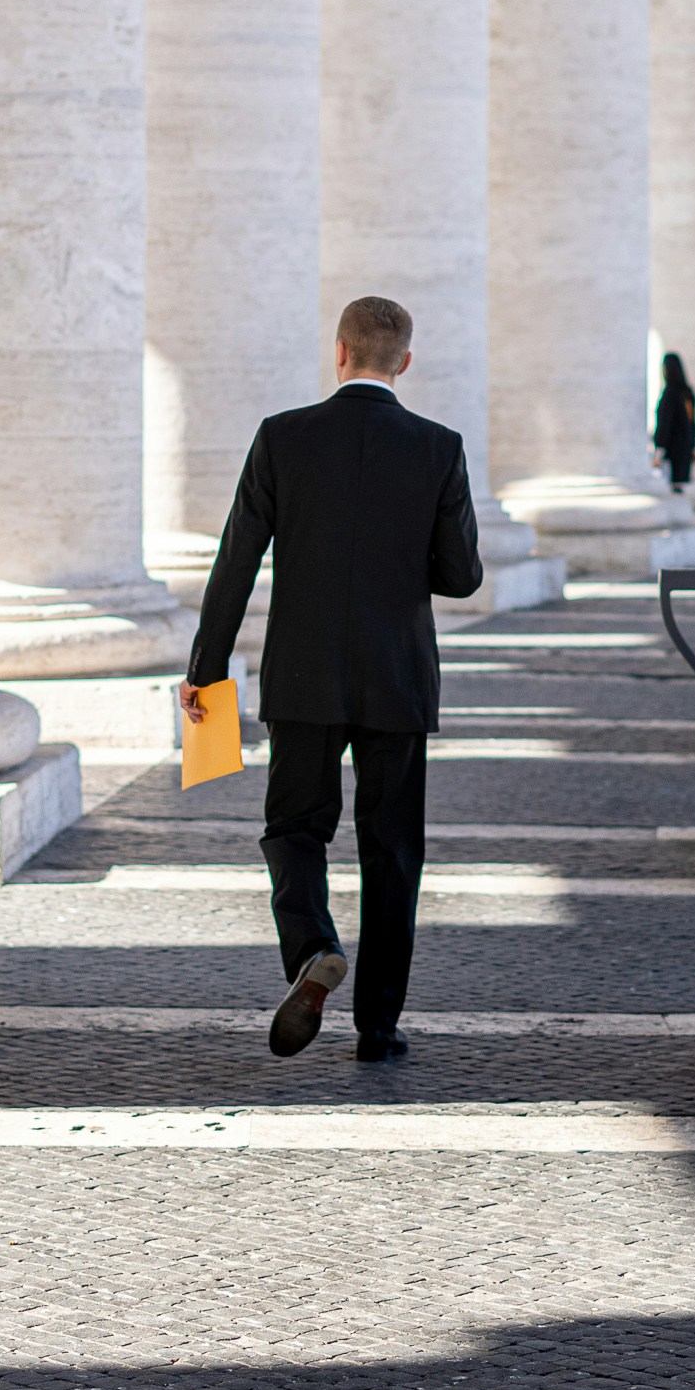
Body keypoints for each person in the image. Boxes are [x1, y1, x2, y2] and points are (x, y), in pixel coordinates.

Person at [181, 294, 482, 1063]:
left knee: (293, 828)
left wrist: (205, 677)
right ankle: (377, 1027)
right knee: (392, 851)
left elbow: (236, 563)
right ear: (403, 363)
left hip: (303, 679)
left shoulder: (283, 438)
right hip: (398, 680)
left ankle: (313, 944)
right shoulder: (438, 447)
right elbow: (460, 576)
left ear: (339, 352)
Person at [652, 350, 695, 488]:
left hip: (673, 450)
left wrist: (659, 449)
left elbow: (665, 423)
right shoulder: (687, 392)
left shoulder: (671, 394)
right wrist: (693, 446)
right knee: (679, 486)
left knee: (672, 486)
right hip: (685, 448)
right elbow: (692, 423)